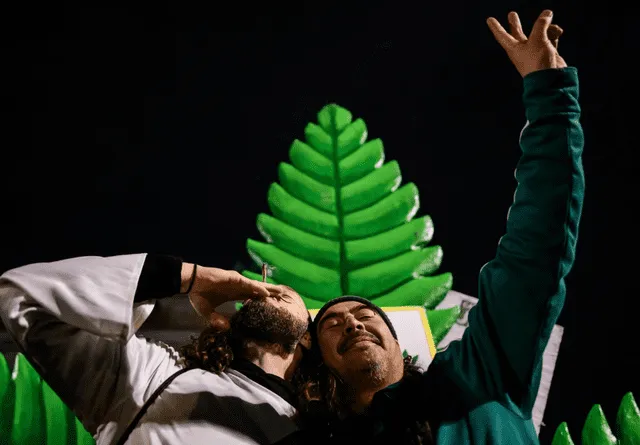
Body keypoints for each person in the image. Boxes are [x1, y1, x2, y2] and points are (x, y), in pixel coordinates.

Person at [303, 9, 585, 444]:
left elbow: (535, 250)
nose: (353, 324)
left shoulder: (480, 372)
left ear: (400, 344)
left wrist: (551, 97)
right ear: (320, 365)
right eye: (333, 326)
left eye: (364, 315)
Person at [0, 253, 312, 444]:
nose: (269, 291)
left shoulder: (326, 426)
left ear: (309, 338)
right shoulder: (153, 375)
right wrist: (191, 277)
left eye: (287, 293)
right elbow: (24, 296)